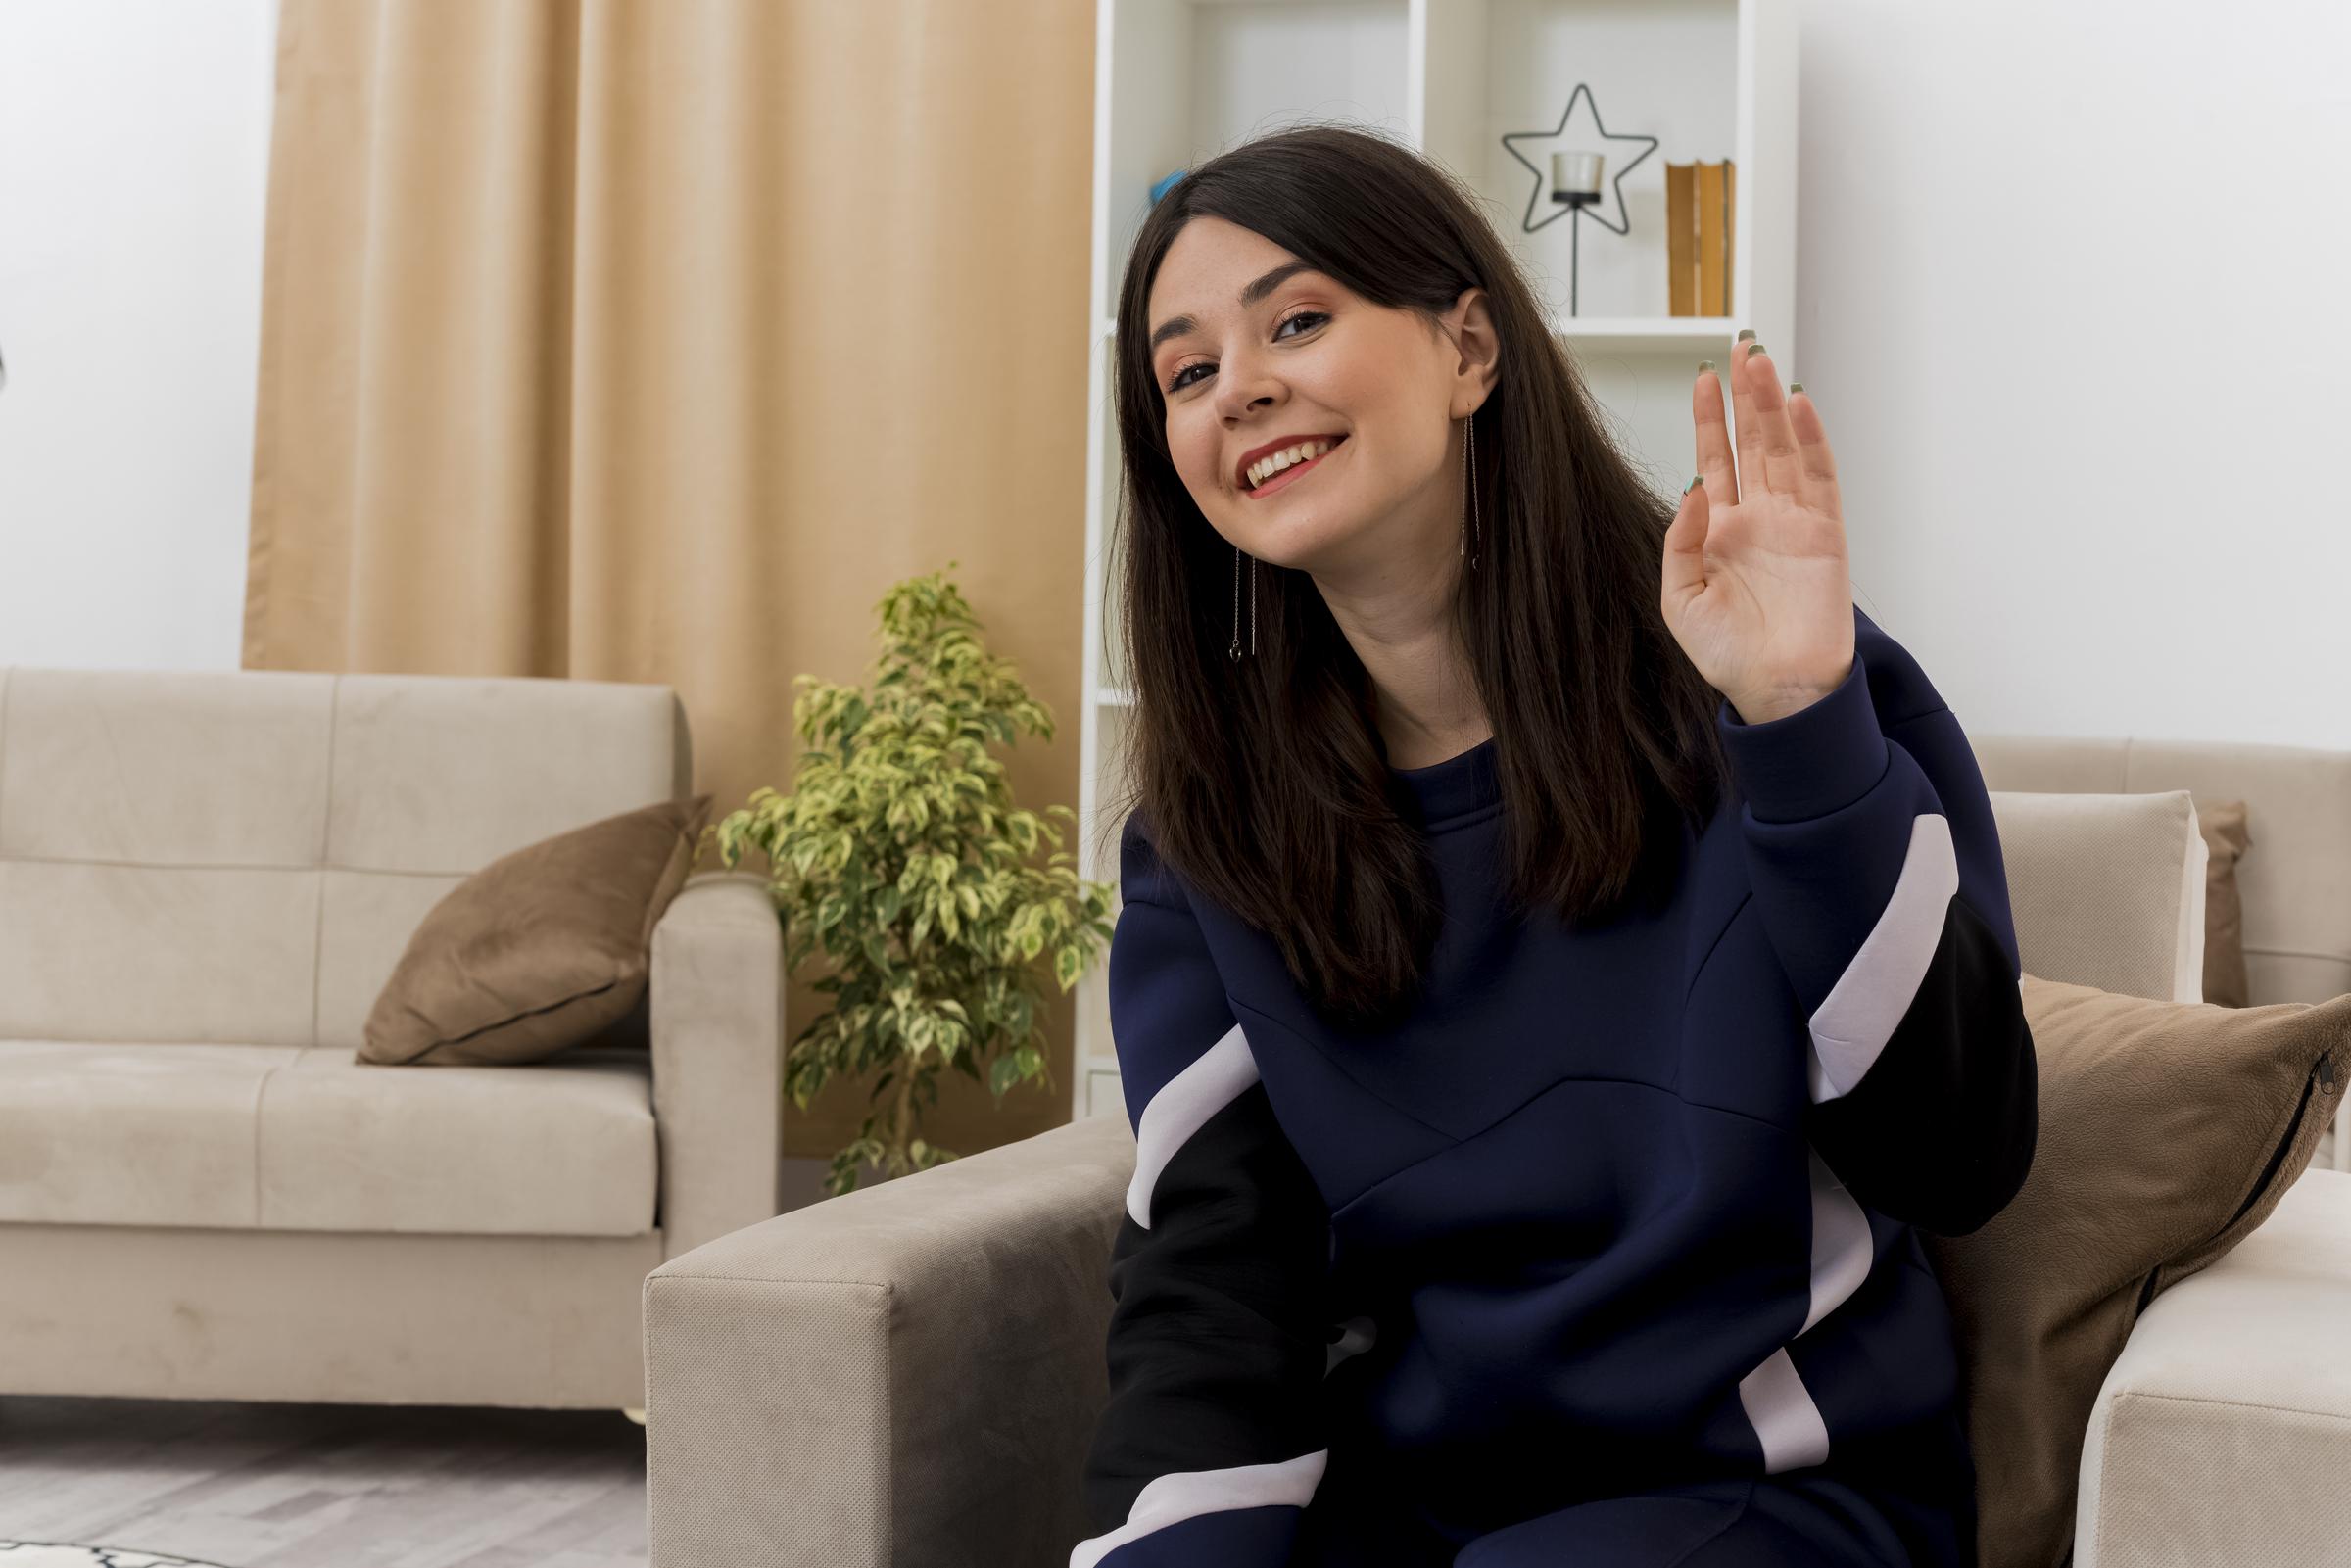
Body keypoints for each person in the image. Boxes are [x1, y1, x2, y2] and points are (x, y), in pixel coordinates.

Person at [1070, 124, 2037, 1568]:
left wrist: (1800, 730)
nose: (1244, 385)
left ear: (1470, 349)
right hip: (1429, 1516)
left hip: (1773, 1498)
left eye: (1299, 319)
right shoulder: (1210, 846)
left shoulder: (1767, 696)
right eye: (1188, 370)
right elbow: (1219, 1298)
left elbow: (1961, 1150)